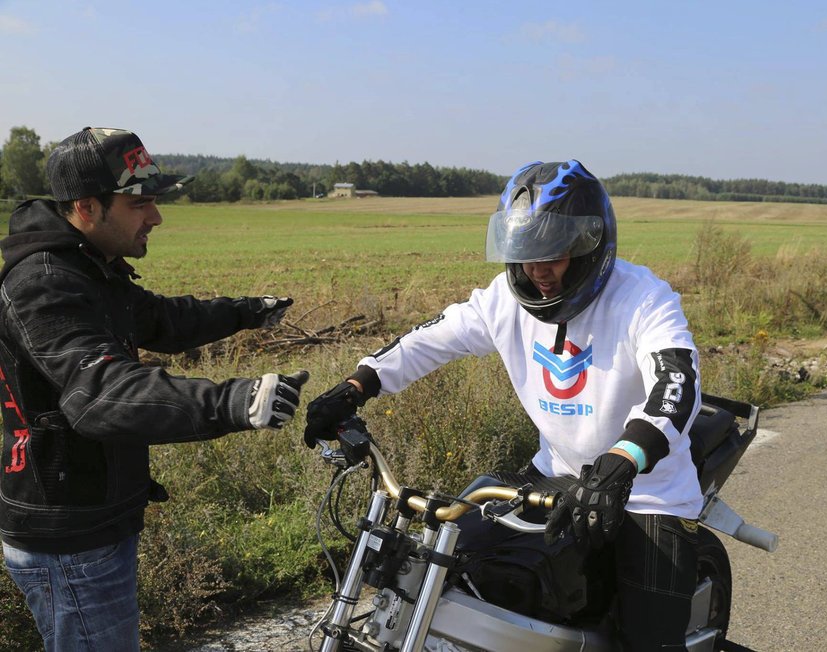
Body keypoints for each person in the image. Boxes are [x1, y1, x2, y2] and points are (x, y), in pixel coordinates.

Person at [304, 159, 703, 650]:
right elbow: (431, 339)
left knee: (650, 642)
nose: (538, 271)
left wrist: (624, 460)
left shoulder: (643, 298)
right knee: (450, 571)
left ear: (588, 245)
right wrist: (357, 385)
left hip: (646, 491)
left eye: (552, 254)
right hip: (553, 472)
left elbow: (676, 384)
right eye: (525, 254)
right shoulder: (505, 299)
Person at [0, 127, 309, 651]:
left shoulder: (86, 267)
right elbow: (100, 392)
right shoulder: (44, 283)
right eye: (139, 203)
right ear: (87, 206)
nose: (156, 217)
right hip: (69, 530)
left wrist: (244, 311)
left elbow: (159, 318)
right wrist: (234, 401)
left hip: (94, 510)